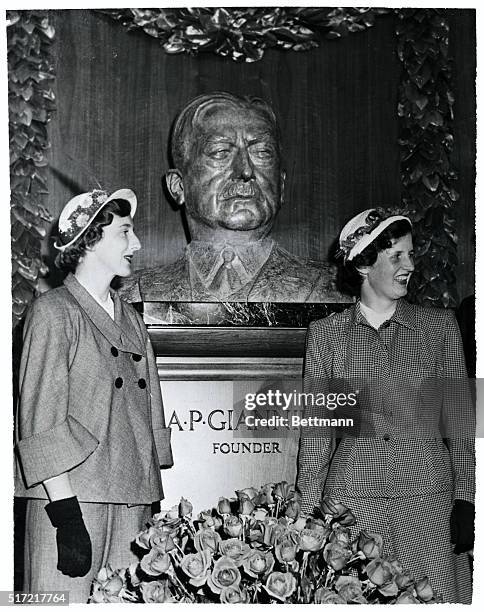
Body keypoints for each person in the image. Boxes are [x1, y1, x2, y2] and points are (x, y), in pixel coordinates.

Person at [296, 208, 475, 603]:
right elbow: (316, 439)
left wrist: (466, 496)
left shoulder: (440, 327)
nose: (410, 265)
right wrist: (307, 517)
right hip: (353, 508)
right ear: (363, 264)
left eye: (411, 255)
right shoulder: (325, 337)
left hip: (428, 505)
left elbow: (461, 424)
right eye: (397, 256)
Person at [14, 188, 173, 602]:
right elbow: (39, 423)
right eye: (125, 232)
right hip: (68, 501)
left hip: (130, 504)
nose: (136, 244)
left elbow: (147, 412)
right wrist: (66, 516)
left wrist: (148, 500)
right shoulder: (52, 312)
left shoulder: (132, 319)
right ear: (90, 239)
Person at [120, 92, 346, 303]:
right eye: (220, 152)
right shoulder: (129, 294)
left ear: (282, 185)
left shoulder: (339, 290)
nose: (245, 170)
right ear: (178, 186)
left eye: (262, 153)